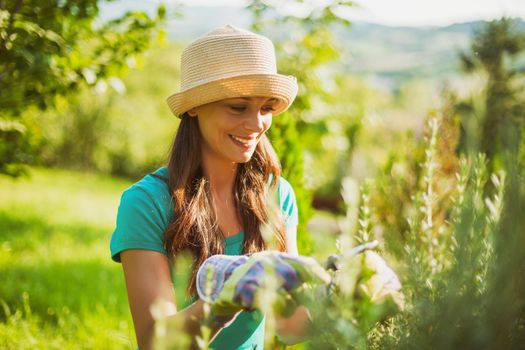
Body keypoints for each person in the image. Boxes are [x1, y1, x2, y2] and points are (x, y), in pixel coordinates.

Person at [110, 25, 310, 350]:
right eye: (238, 106)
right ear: (194, 106)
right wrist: (222, 303)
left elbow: (288, 327)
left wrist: (345, 299)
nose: (258, 123)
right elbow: (154, 342)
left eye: (266, 108)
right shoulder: (146, 202)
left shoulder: (277, 193)